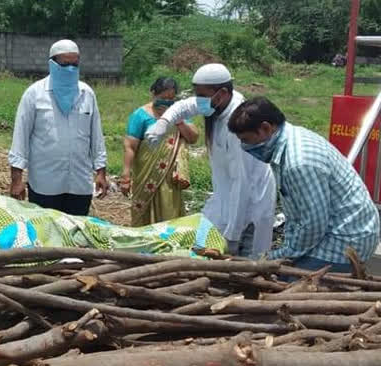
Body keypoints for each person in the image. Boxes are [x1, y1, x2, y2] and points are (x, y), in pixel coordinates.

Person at [228, 97, 380, 270]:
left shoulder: (299, 162)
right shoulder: (288, 138)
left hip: (344, 240)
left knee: (287, 285)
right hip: (332, 230)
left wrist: (280, 255)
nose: (244, 146)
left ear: (265, 128)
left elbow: (313, 225)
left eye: (246, 140)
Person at [144, 63, 276, 257]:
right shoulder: (217, 104)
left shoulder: (239, 124)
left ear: (221, 93)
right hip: (224, 195)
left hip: (250, 204)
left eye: (202, 95)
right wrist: (164, 123)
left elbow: (242, 184)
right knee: (204, 245)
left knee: (246, 262)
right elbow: (185, 106)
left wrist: (233, 233)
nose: (199, 101)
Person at [8, 39, 108, 216]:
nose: (70, 69)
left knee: (75, 234)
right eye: (65, 64)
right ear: (52, 64)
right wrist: (17, 180)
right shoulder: (35, 94)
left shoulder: (86, 94)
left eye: (74, 64)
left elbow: (96, 136)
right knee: (47, 234)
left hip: (79, 182)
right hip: (45, 182)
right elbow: (20, 138)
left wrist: (101, 171)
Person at [121, 77, 199, 226]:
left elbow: (193, 137)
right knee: (143, 209)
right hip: (146, 175)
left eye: (171, 98)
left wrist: (177, 120)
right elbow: (130, 146)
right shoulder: (141, 115)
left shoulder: (179, 113)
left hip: (170, 177)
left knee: (169, 207)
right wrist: (125, 175)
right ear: (153, 94)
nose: (167, 102)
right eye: (163, 98)